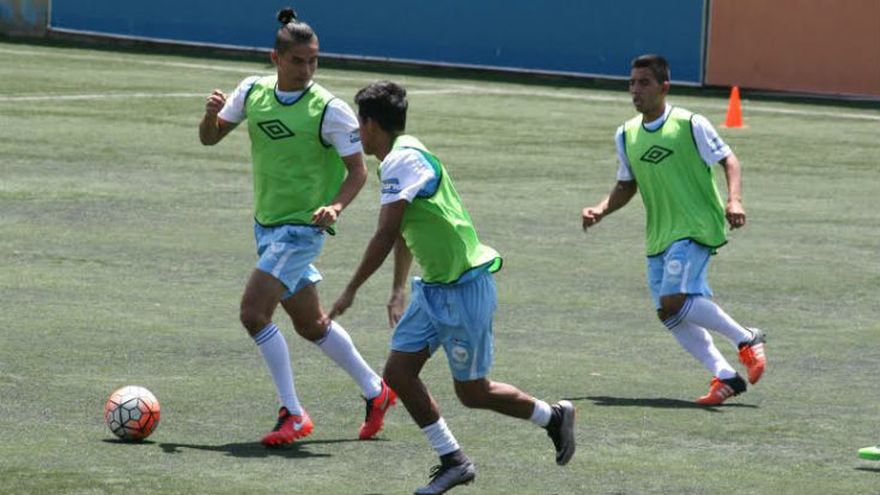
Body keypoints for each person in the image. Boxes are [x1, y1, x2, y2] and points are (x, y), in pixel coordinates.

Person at [329, 81, 576, 495]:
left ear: (371, 124)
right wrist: (398, 288)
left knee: (473, 392)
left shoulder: (402, 160)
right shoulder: (402, 154)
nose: (357, 130)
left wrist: (351, 289)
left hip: (464, 290)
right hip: (434, 289)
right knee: (398, 372)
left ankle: (552, 417)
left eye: (359, 121)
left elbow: (386, 233)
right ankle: (454, 461)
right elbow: (406, 228)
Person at [198, 7, 395, 446]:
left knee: (253, 314)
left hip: (301, 230)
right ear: (276, 58)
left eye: (313, 60)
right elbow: (210, 138)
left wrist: (335, 207)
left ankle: (293, 412)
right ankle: (376, 391)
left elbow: (358, 171)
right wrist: (210, 116)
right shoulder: (252, 92)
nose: (307, 69)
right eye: (298, 61)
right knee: (311, 325)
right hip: (266, 226)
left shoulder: (330, 110)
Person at [580, 54, 767, 406]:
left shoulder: (690, 124)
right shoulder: (626, 134)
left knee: (673, 299)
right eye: (632, 83)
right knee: (667, 312)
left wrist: (735, 201)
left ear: (664, 87)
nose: (635, 90)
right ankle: (725, 376)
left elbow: (729, 160)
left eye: (644, 83)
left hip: (696, 225)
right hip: (659, 233)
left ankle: (746, 337)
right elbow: (626, 184)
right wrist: (601, 209)